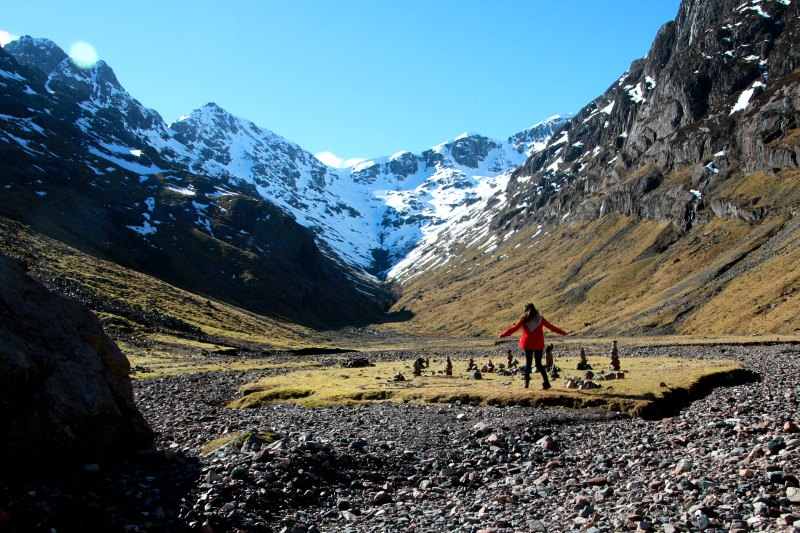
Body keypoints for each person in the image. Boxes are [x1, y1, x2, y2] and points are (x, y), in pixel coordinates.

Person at [498, 303, 568, 389]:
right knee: (539, 364)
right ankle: (546, 383)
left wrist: (503, 334)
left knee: (528, 364)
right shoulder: (540, 319)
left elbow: (515, 328)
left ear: (526, 310)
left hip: (528, 343)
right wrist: (563, 332)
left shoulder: (524, 319)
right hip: (538, 343)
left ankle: (526, 384)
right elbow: (551, 327)